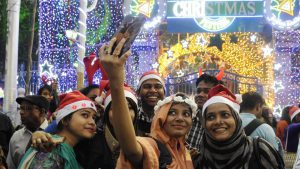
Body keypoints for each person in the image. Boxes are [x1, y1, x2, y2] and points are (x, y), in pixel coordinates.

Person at [99, 37, 196, 168]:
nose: (179, 118)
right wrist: (116, 81)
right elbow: (131, 150)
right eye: (172, 113)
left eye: (186, 114)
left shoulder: (185, 152)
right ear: (161, 119)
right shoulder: (153, 145)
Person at [193, 84, 284, 169]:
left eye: (225, 115)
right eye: (211, 117)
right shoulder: (198, 158)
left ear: (236, 119)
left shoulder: (260, 150)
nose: (218, 121)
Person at [18, 91, 97, 169]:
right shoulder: (50, 149)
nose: (92, 122)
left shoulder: (68, 149)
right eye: (85, 115)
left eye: (94, 117)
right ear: (65, 120)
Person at [6, 95, 49, 169]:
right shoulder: (16, 136)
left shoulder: (54, 134)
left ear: (42, 112)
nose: (21, 112)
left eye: (28, 109)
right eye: (21, 108)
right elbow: (10, 166)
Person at [186, 74, 220, 151]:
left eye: (206, 91)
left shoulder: (221, 122)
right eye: (198, 91)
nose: (200, 95)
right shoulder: (188, 116)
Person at [136, 70, 165, 136]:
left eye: (158, 86)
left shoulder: (170, 116)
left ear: (164, 92)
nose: (153, 90)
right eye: (147, 86)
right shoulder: (131, 115)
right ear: (138, 92)